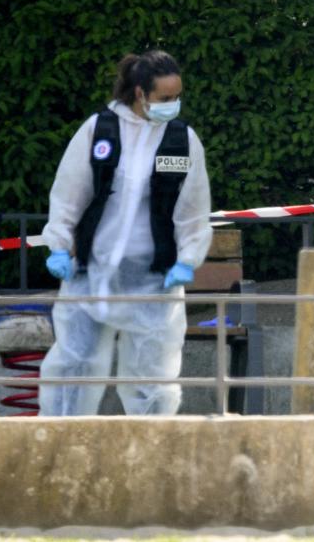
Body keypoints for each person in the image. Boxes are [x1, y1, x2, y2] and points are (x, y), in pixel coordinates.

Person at [38, 51, 213, 416]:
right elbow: (70, 193)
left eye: (177, 97)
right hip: (91, 273)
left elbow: (192, 208)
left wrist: (187, 258)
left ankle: (151, 455)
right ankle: (58, 446)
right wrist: (58, 244)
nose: (173, 105)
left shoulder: (180, 141)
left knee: (154, 375)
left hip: (152, 280)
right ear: (139, 93)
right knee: (74, 364)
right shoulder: (100, 131)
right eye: (165, 98)